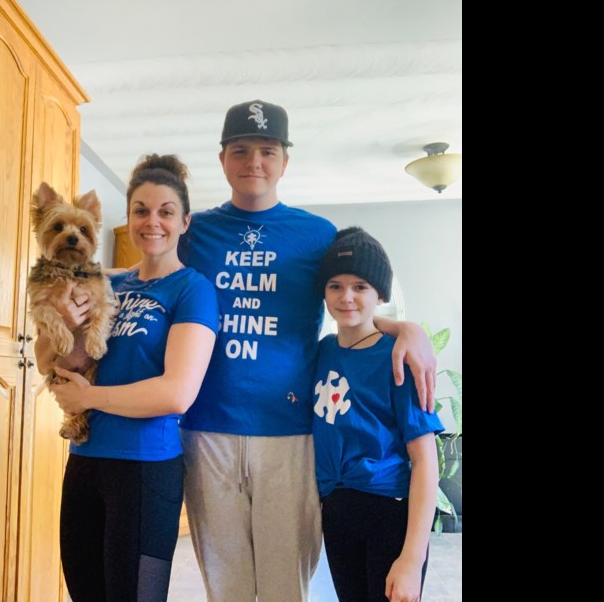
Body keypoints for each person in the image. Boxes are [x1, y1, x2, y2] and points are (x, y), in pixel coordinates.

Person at [176, 100, 438, 601]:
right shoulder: (195, 232)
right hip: (207, 427)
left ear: (285, 162)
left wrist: (404, 327)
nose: (254, 161)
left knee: (284, 586)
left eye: (267, 150)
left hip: (291, 433)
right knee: (226, 586)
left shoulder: (317, 235)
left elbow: (358, 293)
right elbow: (155, 275)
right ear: (223, 158)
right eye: (241, 149)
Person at [35, 154, 219, 602]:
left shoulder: (192, 289)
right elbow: (44, 360)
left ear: (184, 221)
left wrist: (88, 398)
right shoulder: (107, 282)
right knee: (85, 591)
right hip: (85, 460)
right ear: (128, 218)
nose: (151, 222)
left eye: (165, 212)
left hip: (145, 468)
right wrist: (59, 320)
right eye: (140, 210)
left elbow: (177, 394)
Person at [313, 227, 443, 602]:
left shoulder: (401, 358)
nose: (346, 296)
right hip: (336, 514)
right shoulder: (321, 353)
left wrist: (412, 558)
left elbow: (425, 461)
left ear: (380, 294)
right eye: (335, 285)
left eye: (360, 287)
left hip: (389, 513)